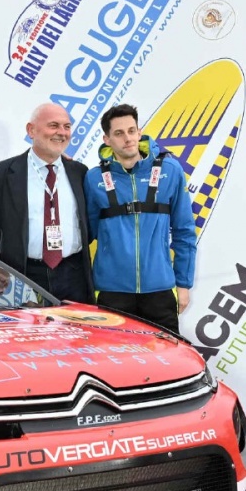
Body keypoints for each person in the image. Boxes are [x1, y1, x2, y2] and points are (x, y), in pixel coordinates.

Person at [83, 103, 195, 334]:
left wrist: (183, 284)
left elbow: (184, 231)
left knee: (166, 365)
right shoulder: (93, 178)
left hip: (160, 290)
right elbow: (87, 233)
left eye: (132, 131)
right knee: (115, 366)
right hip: (111, 292)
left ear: (139, 132)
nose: (127, 138)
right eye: (119, 133)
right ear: (106, 139)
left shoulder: (171, 171)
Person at [0, 103, 92, 302]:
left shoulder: (79, 172)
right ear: (31, 130)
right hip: (24, 276)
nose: (61, 133)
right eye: (53, 125)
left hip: (74, 275)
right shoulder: (4, 173)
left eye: (67, 127)